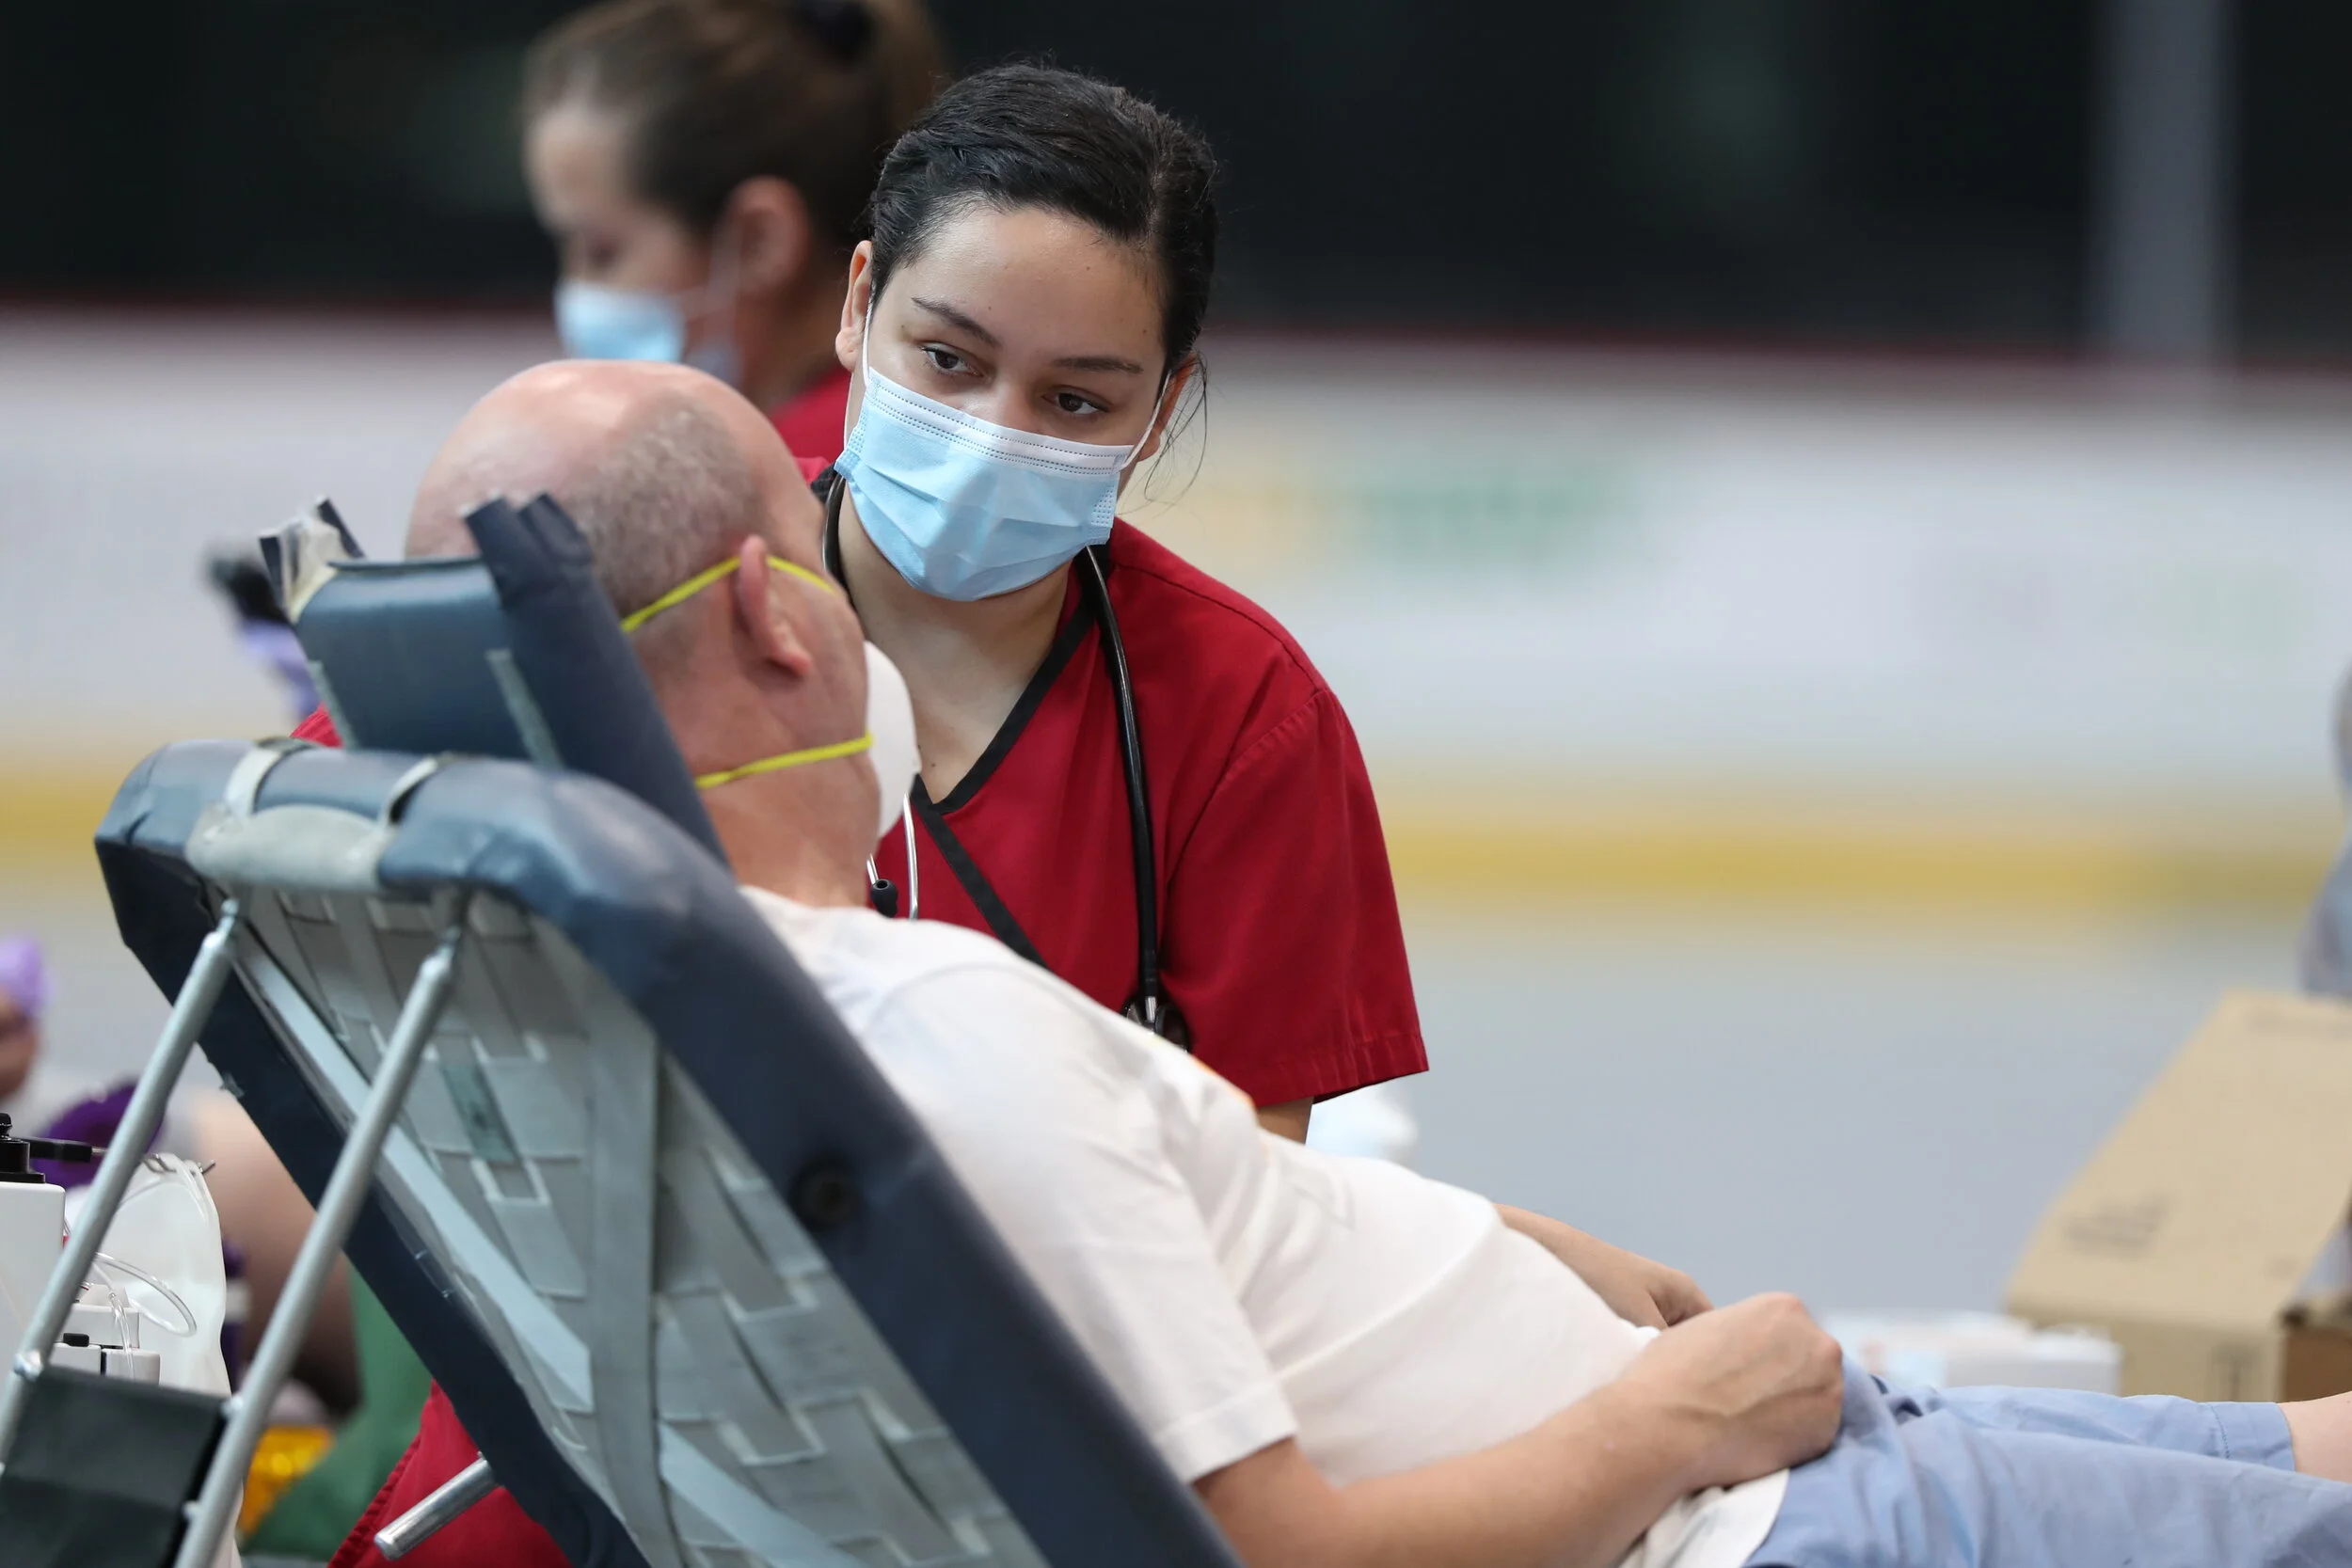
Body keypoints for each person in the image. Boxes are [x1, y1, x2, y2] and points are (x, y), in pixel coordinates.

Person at [341, 360, 2352, 1568]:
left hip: (1714, 1456)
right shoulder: (928, 1027)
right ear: (786, 631)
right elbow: (1265, 1547)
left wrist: (1507, 1250)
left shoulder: (623, 1048)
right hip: (1718, 1517)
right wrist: (1672, 1418)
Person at [521, 0, 944, 463]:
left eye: (601, 251)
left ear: (759, 241)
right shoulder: (887, 431)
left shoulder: (797, 487)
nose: (576, 294)